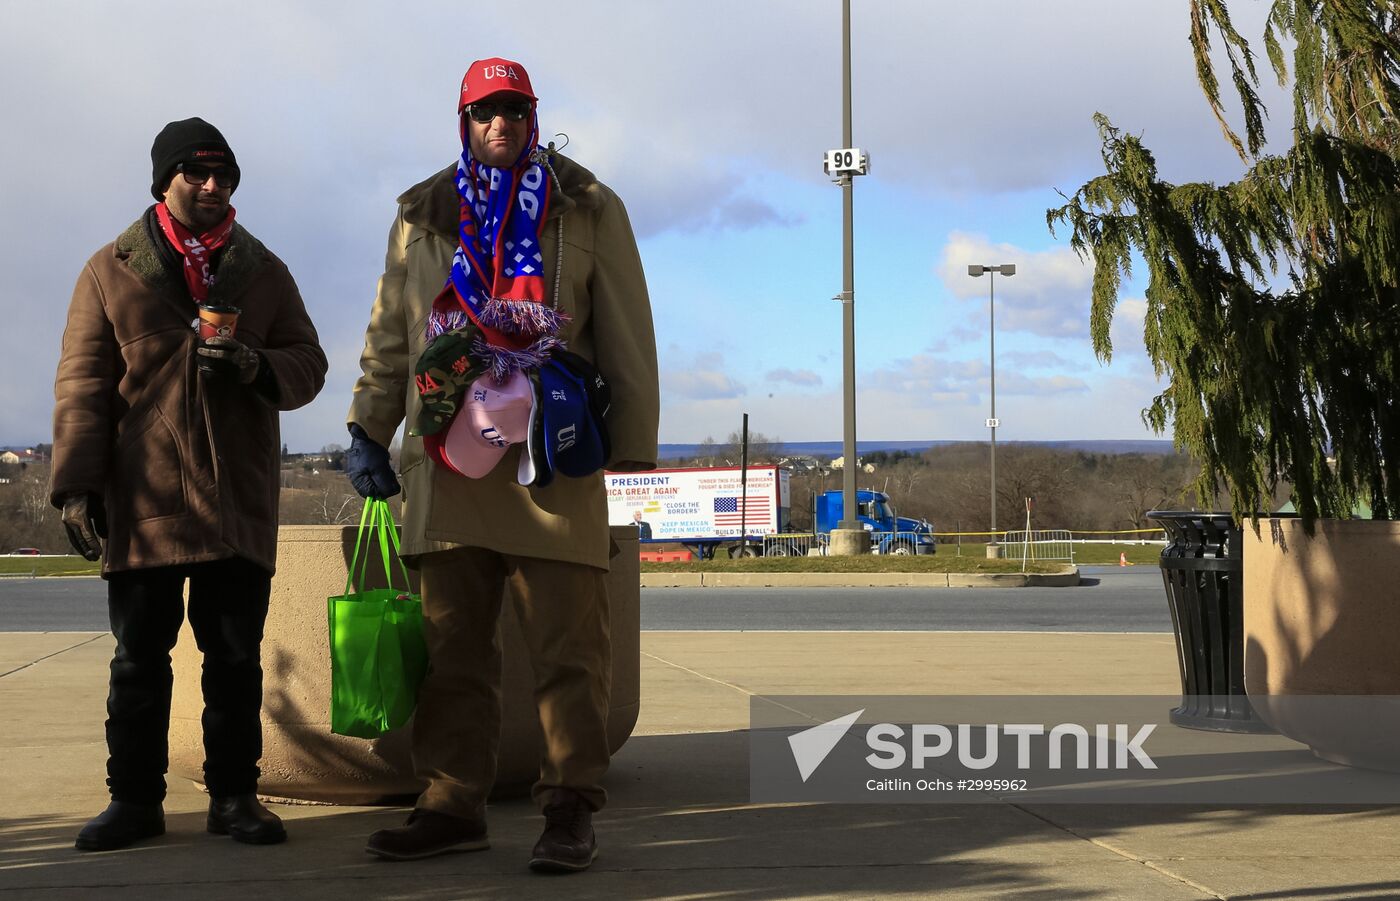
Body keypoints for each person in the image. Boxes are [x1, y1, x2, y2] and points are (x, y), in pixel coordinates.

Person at [346, 57, 658, 872]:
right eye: (484, 110)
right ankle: (451, 802)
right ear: (463, 119)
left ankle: (568, 806)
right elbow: (391, 330)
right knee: (452, 651)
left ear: (533, 114)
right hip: (449, 456)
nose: (500, 123)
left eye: (515, 109)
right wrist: (367, 427)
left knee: (569, 651)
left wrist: (632, 440)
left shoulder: (586, 206)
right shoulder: (421, 214)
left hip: (549, 459)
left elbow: (626, 323)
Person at [50, 118, 328, 852]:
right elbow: (82, 386)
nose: (212, 187)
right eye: (196, 174)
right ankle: (133, 801)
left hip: (236, 498)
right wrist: (76, 488)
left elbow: (309, 361)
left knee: (234, 660)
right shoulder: (110, 269)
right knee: (138, 658)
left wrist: (255, 365)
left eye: (223, 176)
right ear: (163, 181)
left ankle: (235, 797)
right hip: (143, 502)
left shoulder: (263, 270)